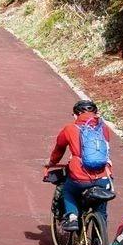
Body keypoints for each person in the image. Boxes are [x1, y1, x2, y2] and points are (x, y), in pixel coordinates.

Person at [44, 99, 116, 232]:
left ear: (76, 115)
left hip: (79, 176)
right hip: (103, 177)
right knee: (101, 208)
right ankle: (100, 240)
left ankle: (72, 217)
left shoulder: (70, 129)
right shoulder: (103, 129)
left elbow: (59, 148)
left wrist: (52, 163)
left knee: (68, 191)